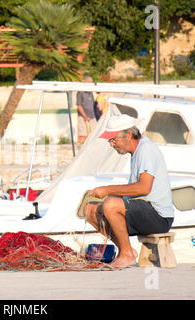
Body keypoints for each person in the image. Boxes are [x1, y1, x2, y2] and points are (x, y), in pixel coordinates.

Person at [84, 114, 174, 269]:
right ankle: (126, 251)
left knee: (111, 204)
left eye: (114, 139)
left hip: (159, 216)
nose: (112, 144)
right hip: (144, 210)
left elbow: (144, 188)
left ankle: (127, 254)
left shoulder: (145, 149)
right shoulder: (136, 152)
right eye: (110, 140)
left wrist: (107, 190)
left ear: (129, 135)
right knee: (90, 210)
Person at [76, 76, 96, 143]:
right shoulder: (80, 92)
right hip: (83, 117)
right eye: (90, 82)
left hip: (92, 116)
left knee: (94, 134)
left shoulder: (90, 92)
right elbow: (79, 106)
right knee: (83, 135)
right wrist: (85, 116)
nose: (91, 84)